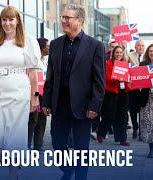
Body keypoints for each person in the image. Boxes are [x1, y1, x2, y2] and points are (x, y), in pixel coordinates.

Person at [0, 6, 40, 180]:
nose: (7, 23)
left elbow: (33, 72)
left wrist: (35, 96)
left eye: (11, 19)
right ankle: (17, 159)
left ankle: (13, 171)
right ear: (0, 22)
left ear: (17, 20)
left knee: (15, 130)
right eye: (4, 19)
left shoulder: (27, 40)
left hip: (19, 89)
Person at [42, 4, 105, 180]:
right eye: (62, 17)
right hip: (59, 104)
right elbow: (50, 76)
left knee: (81, 148)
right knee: (57, 143)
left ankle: (80, 177)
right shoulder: (55, 44)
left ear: (80, 21)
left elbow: (99, 81)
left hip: (83, 107)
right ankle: (68, 169)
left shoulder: (95, 46)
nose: (63, 21)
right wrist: (46, 101)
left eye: (67, 18)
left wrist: (95, 105)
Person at [97, 46, 130, 146]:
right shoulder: (108, 64)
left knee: (123, 116)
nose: (119, 54)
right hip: (111, 93)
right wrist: (117, 78)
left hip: (123, 92)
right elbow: (106, 78)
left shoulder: (126, 65)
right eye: (117, 52)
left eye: (120, 52)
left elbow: (129, 77)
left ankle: (122, 139)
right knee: (109, 115)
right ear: (113, 54)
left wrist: (128, 80)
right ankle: (101, 132)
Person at [28, 37, 49, 151]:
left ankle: (38, 144)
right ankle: (28, 144)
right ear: (41, 48)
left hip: (44, 95)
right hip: (35, 94)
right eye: (48, 46)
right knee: (33, 120)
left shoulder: (45, 61)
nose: (49, 48)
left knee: (42, 119)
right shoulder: (34, 61)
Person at [128, 39, 145, 139]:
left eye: (142, 45)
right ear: (135, 47)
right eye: (139, 45)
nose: (140, 47)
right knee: (133, 110)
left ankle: (142, 132)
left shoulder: (147, 57)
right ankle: (135, 128)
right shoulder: (130, 56)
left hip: (144, 88)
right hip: (133, 88)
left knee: (143, 110)